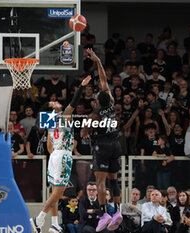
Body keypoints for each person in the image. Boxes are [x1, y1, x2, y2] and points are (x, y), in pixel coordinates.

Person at [30, 75, 92, 233]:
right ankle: (39, 219)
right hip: (63, 155)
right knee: (58, 192)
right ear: (54, 109)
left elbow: (49, 148)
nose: (57, 102)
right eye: (54, 103)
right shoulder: (64, 116)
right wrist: (82, 86)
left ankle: (54, 223)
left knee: (54, 191)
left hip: (54, 156)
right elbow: (74, 101)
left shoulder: (50, 124)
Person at [81, 48, 123, 232]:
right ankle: (118, 212)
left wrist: (85, 128)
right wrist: (98, 60)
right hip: (116, 145)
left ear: (98, 101)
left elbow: (83, 133)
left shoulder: (94, 114)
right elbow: (104, 79)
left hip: (102, 147)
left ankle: (104, 213)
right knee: (114, 181)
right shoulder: (112, 104)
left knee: (100, 182)